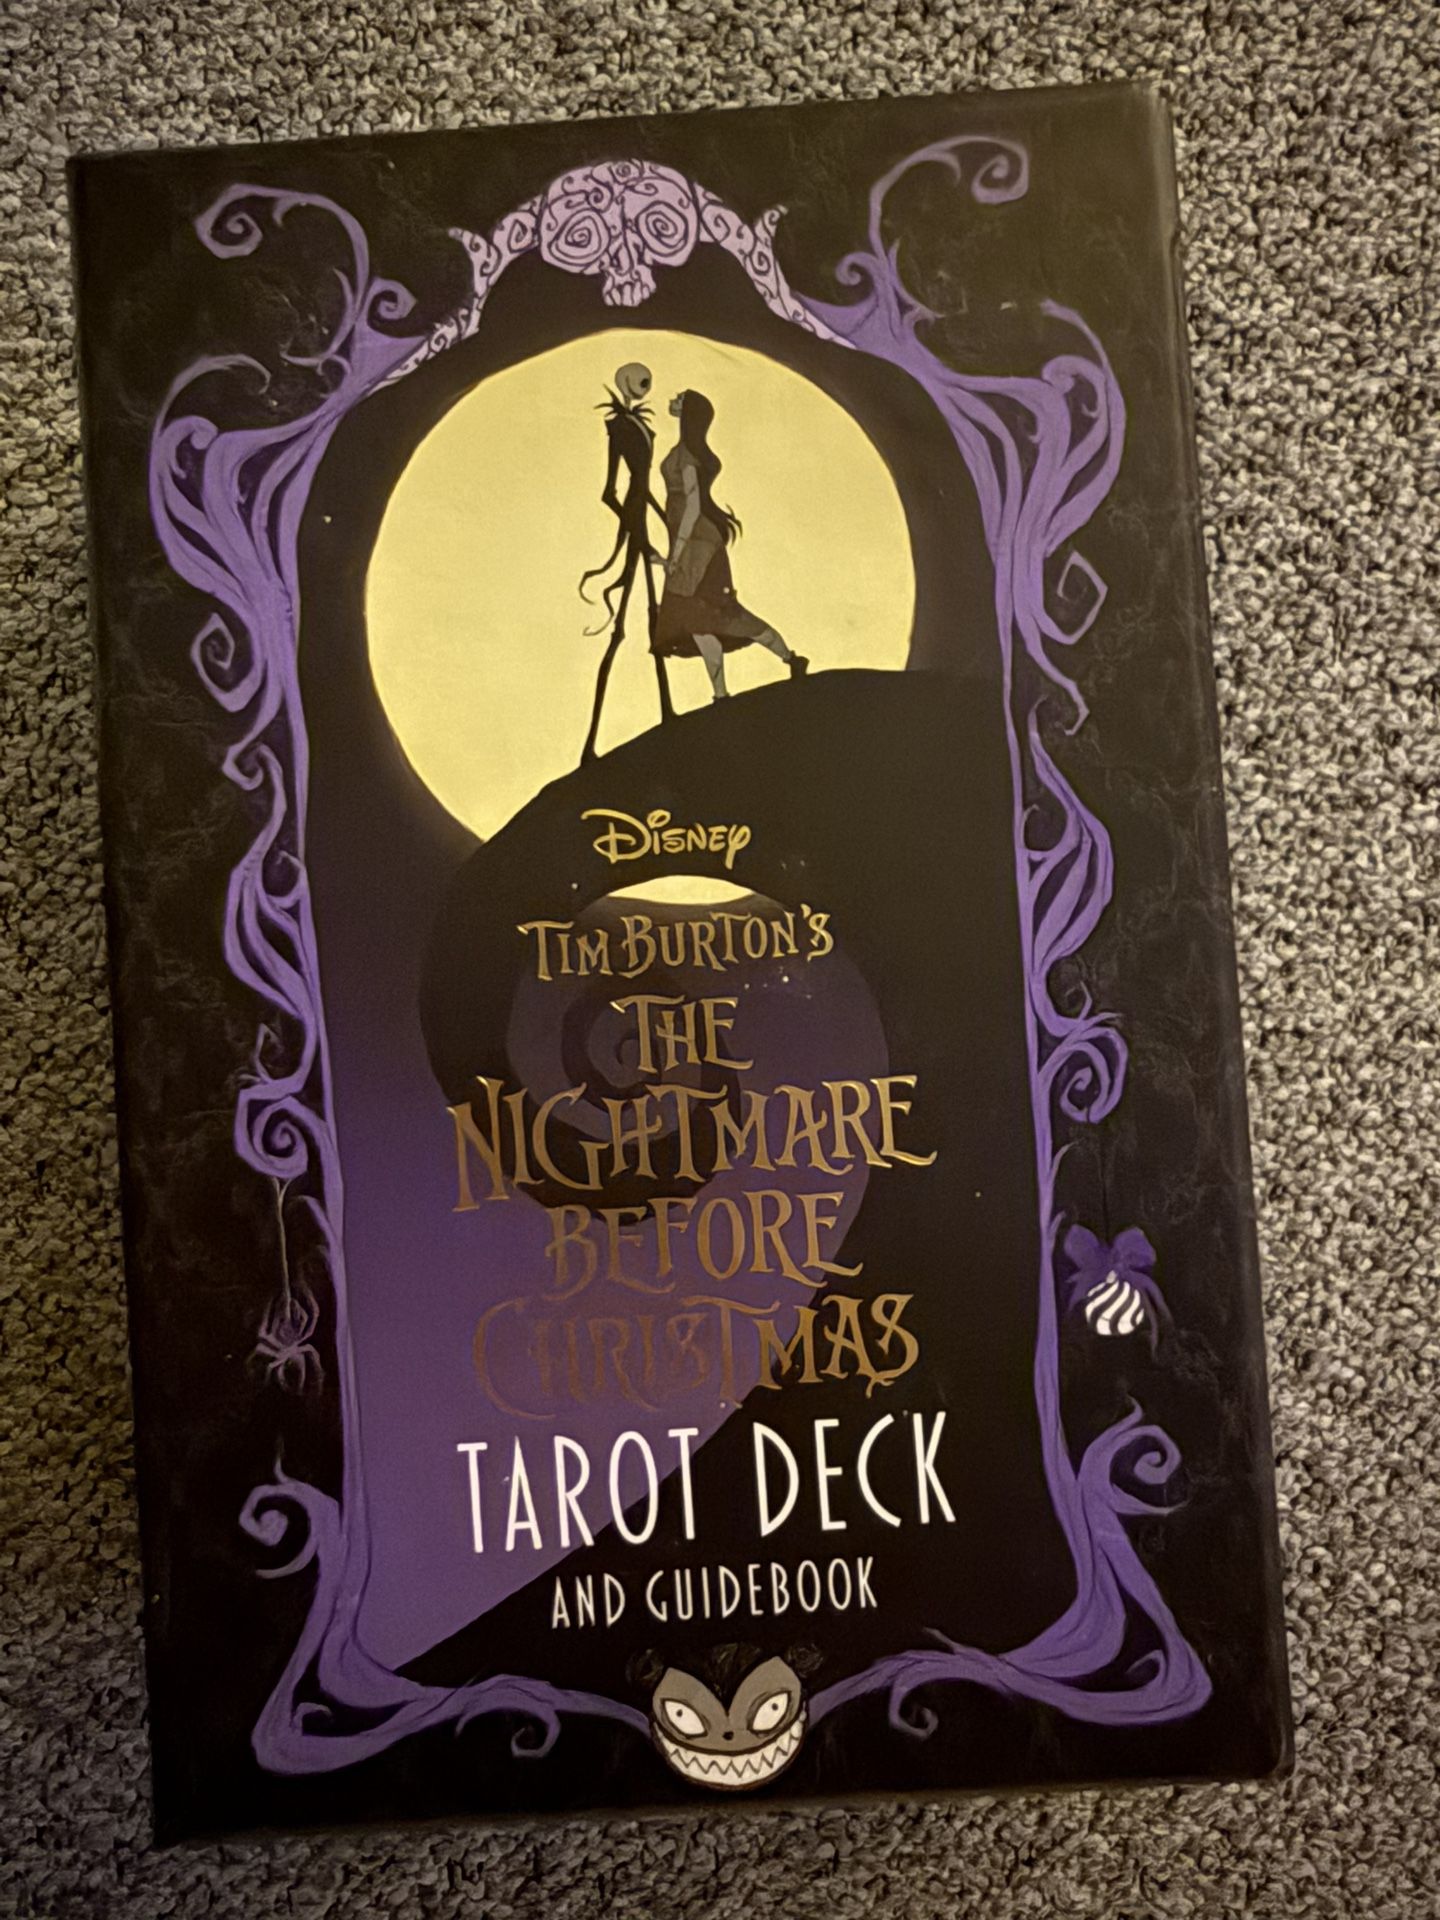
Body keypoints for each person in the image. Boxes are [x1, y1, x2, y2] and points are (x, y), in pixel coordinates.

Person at [655, 390, 808, 700]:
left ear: (689, 413)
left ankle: (790, 658)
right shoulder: (681, 451)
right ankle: (722, 693)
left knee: (720, 616)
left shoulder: (687, 458)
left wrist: (677, 552)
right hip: (688, 540)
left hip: (698, 545)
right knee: (699, 623)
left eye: (680, 399)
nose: (673, 400)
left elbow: (693, 506)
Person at [578, 361, 673, 765]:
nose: (645, 386)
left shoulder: (640, 424)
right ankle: (590, 745)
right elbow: (610, 491)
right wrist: (636, 529)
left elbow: (643, 484)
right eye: (640, 381)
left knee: (652, 614)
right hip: (635, 522)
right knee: (621, 627)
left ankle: (667, 710)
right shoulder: (618, 427)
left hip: (643, 517)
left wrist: (663, 519)